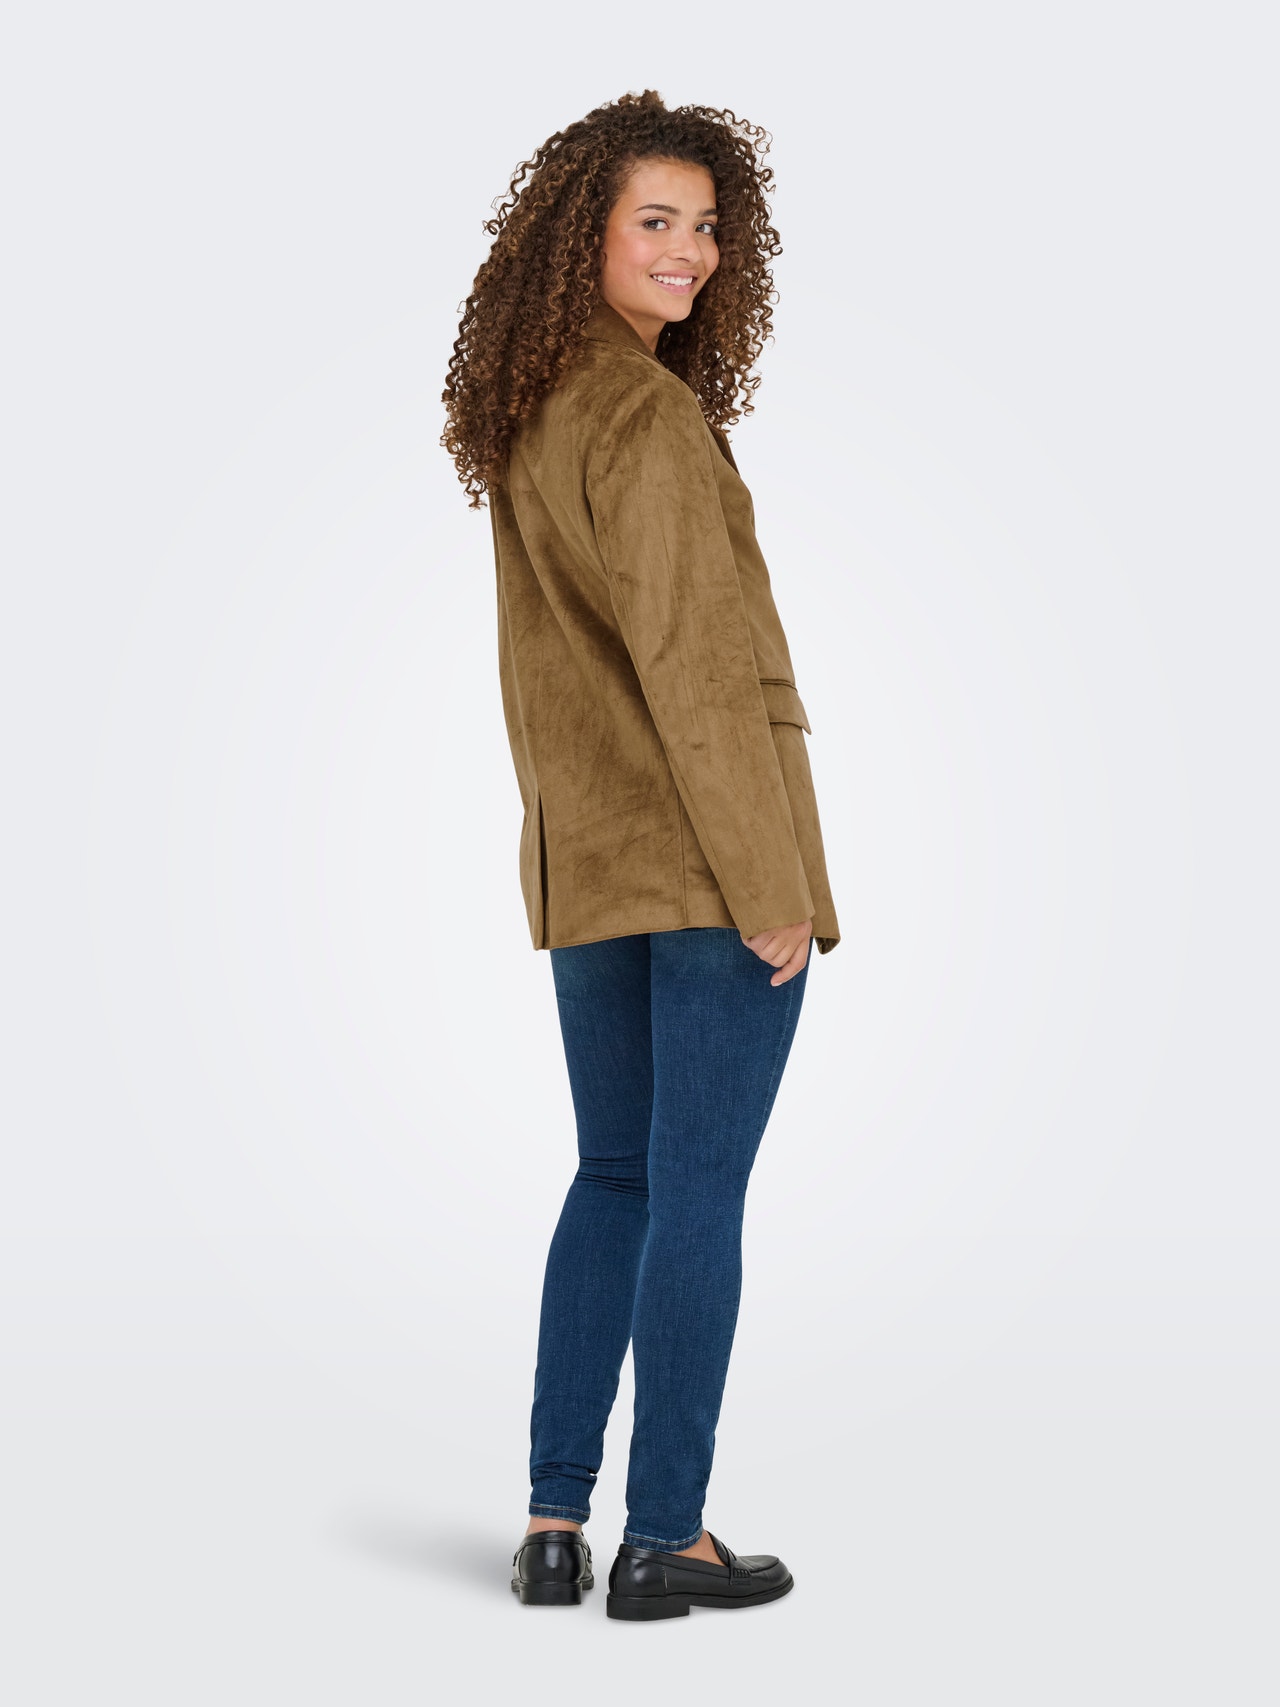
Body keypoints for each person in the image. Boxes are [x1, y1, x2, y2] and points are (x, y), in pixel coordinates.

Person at [441, 89, 840, 1621]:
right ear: (582, 237)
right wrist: (773, 888)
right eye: (654, 221)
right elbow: (695, 672)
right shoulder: (648, 418)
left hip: (591, 867)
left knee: (613, 1176)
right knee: (693, 1194)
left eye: (708, 225)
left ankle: (555, 1523)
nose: (693, 250)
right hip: (703, 870)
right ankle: (666, 1534)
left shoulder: (532, 414)